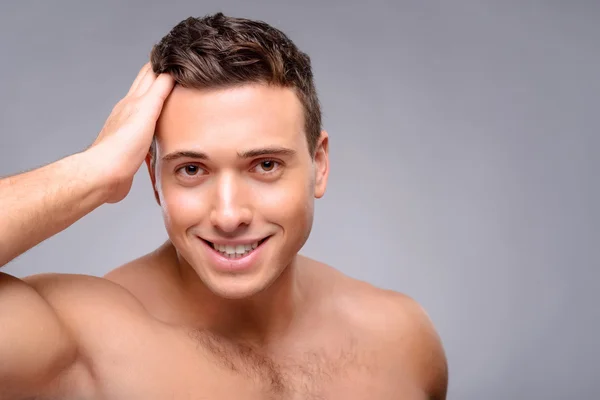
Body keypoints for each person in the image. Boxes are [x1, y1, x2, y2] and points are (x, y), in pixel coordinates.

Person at [0, 12, 447, 400]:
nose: (229, 215)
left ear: (319, 164)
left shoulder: (402, 340)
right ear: (154, 179)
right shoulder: (81, 342)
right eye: (192, 170)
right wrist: (94, 171)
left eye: (265, 164)